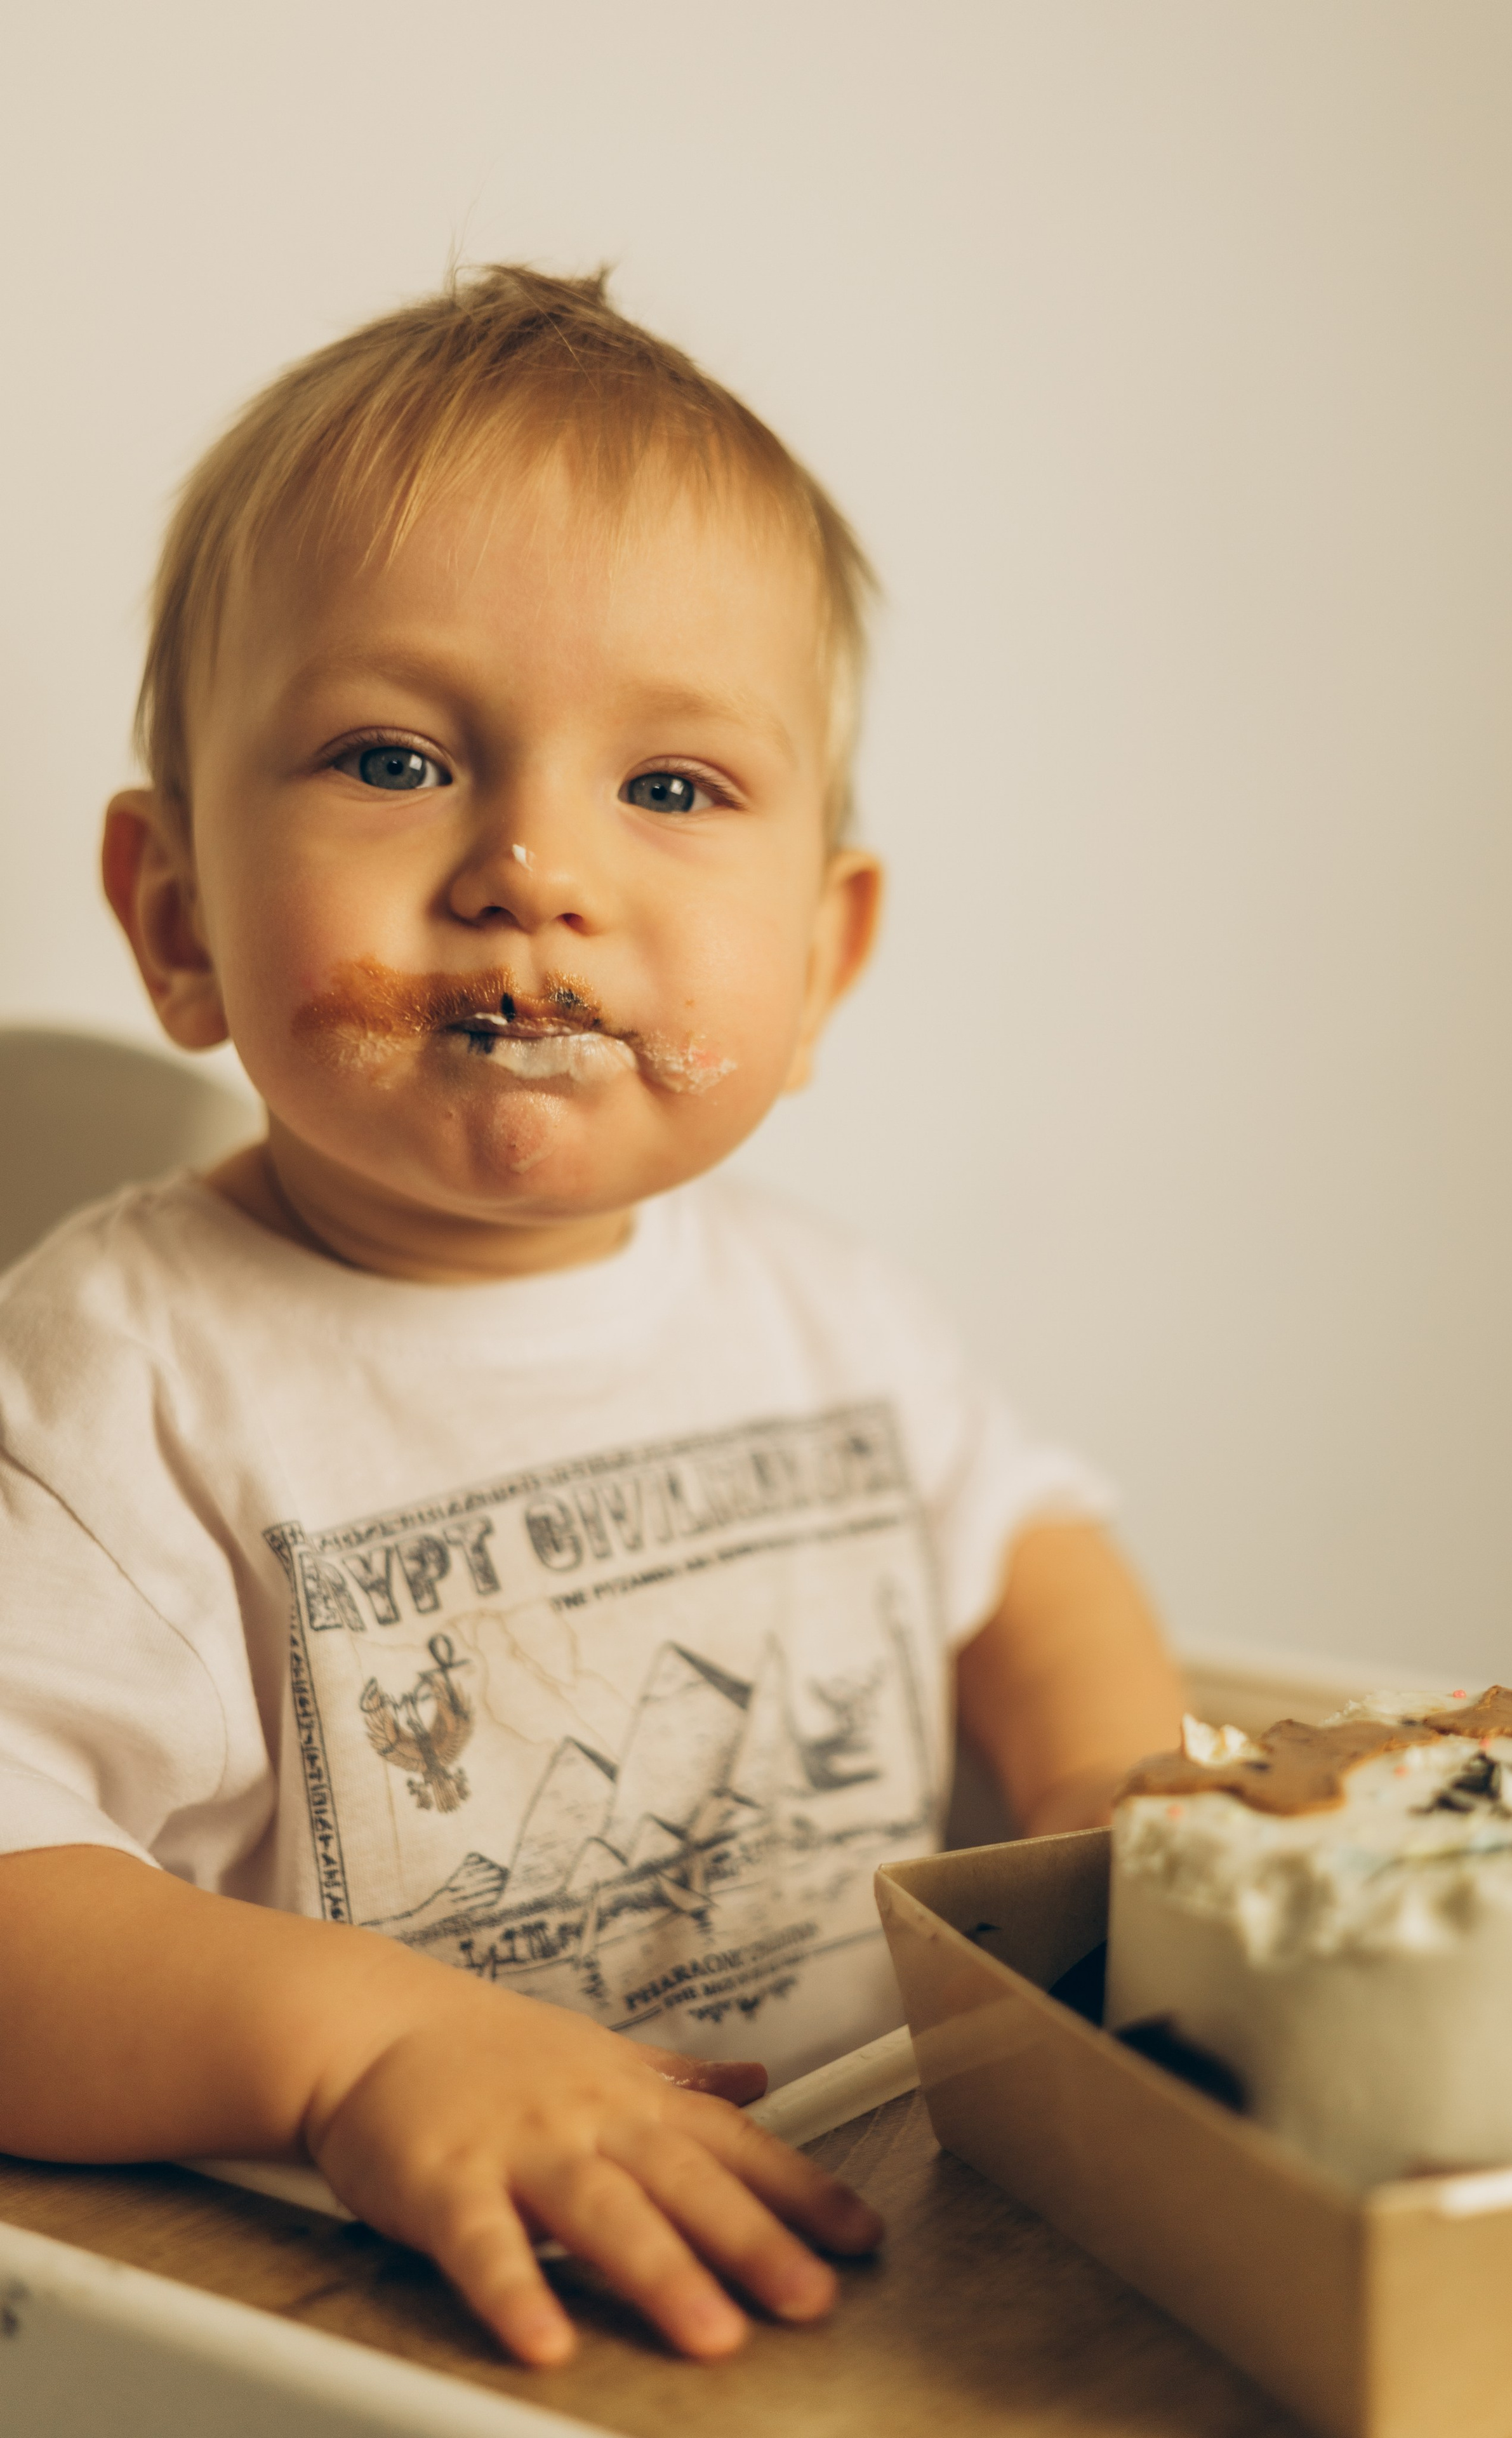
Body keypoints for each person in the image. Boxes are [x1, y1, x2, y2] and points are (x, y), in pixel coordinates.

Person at [0, 266, 1182, 2366]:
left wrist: (1131, 1815)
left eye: (672, 790)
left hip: (907, 2263)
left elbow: (1025, 1559)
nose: (532, 866)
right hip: (390, 2334)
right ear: (175, 919)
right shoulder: (119, 1386)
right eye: (392, 758)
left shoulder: (833, 1318)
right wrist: (362, 2060)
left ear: (821, 965)